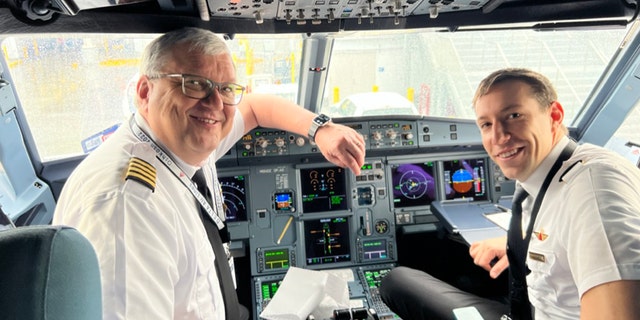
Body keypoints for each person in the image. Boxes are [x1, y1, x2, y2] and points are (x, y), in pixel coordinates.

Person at [53, 27, 365, 320]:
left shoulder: (184, 144)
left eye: (226, 89)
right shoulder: (129, 206)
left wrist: (321, 129)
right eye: (195, 83)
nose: (215, 103)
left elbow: (255, 108)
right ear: (146, 91)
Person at [379, 68, 640, 319]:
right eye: (486, 124)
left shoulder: (593, 189)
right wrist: (519, 247)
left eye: (514, 116)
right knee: (397, 282)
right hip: (526, 310)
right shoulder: (545, 170)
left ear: (555, 115)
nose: (499, 136)